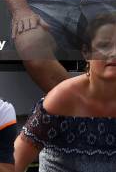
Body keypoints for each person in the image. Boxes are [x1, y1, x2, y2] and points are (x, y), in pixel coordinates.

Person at [14, 12, 116, 172]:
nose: (114, 53)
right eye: (104, 45)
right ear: (86, 53)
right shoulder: (62, 98)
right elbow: (13, 163)